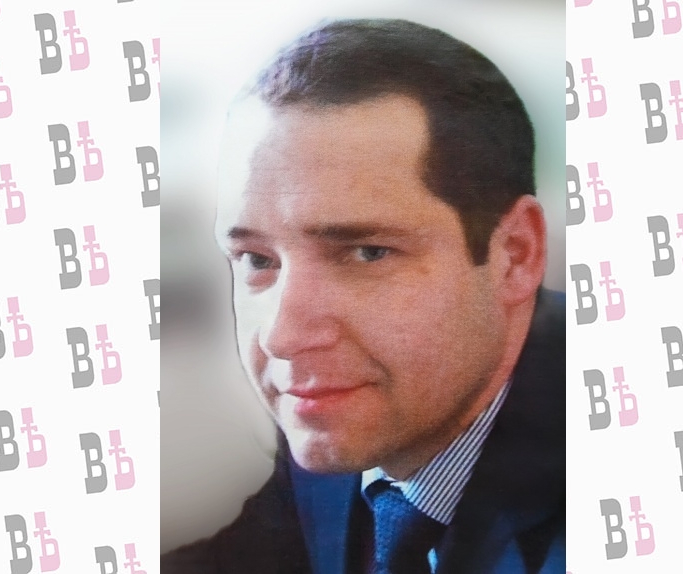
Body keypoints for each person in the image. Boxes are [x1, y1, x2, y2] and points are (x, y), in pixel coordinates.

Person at [163, 18, 564, 574]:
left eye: (367, 253)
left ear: (515, 255)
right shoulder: (339, 410)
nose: (283, 335)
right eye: (257, 260)